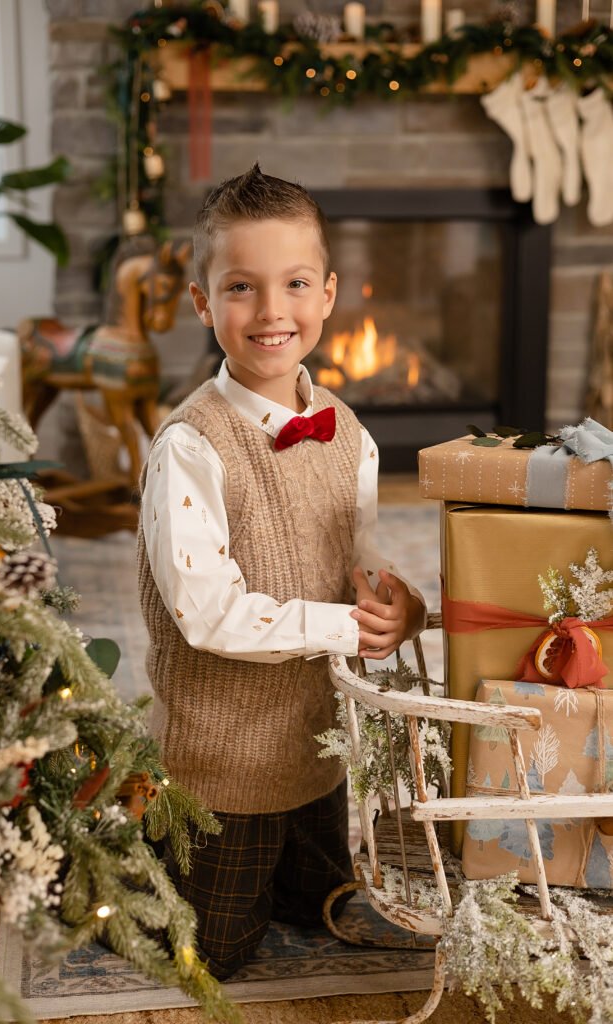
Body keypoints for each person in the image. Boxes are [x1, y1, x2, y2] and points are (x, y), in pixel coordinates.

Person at [137, 163, 426, 979]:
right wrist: (343, 626)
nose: (271, 312)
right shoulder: (192, 445)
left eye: (295, 284)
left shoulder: (345, 427)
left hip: (313, 747)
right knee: (211, 952)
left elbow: (356, 558)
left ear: (328, 295)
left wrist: (394, 607)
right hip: (222, 759)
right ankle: (136, 841)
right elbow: (208, 613)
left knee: (322, 898)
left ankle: (304, 875)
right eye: (240, 288)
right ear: (202, 302)